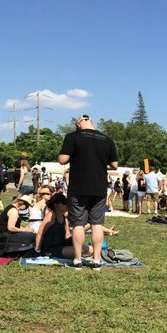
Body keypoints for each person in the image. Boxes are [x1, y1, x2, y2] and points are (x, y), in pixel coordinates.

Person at [58, 114, 118, 267]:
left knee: (78, 224)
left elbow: (62, 159)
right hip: (99, 188)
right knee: (97, 224)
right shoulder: (107, 139)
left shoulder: (72, 137)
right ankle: (97, 260)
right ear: (91, 123)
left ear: (79, 124)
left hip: (78, 187)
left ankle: (77, 260)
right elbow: (115, 165)